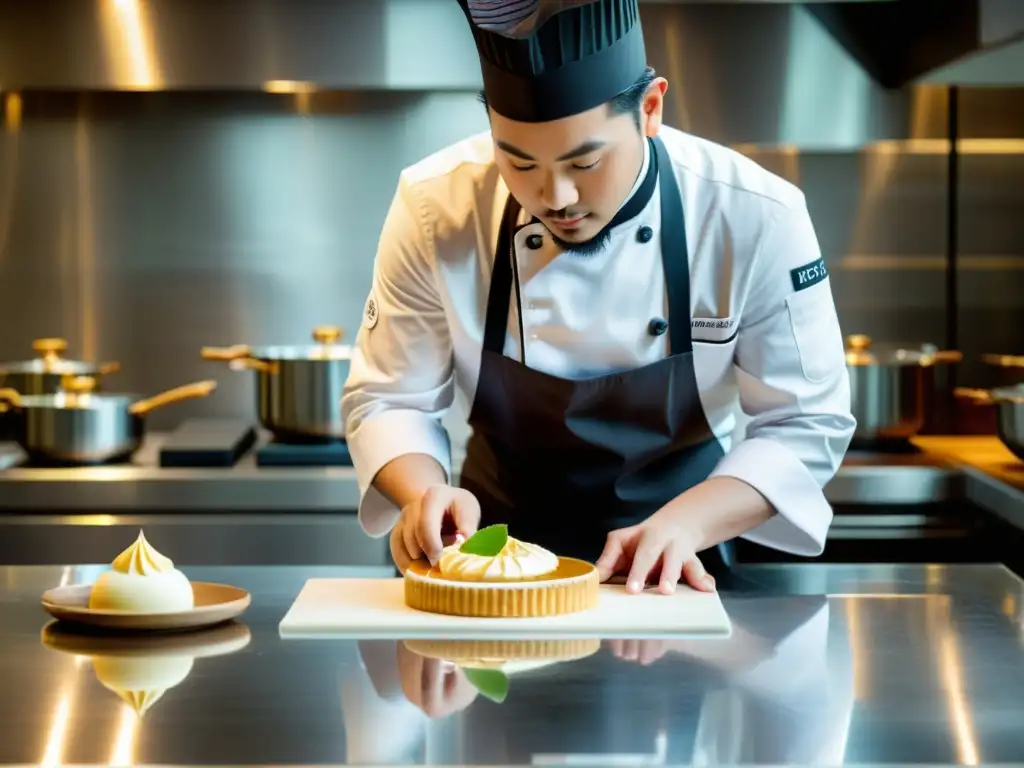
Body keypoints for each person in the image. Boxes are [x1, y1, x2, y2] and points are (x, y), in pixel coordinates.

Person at [341, 0, 855, 593]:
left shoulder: (754, 213)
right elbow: (390, 397)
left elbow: (805, 421)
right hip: (486, 571)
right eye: (519, 161)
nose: (555, 196)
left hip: (674, 573)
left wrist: (687, 523)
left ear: (651, 108)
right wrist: (423, 492)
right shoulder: (434, 206)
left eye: (585, 161)